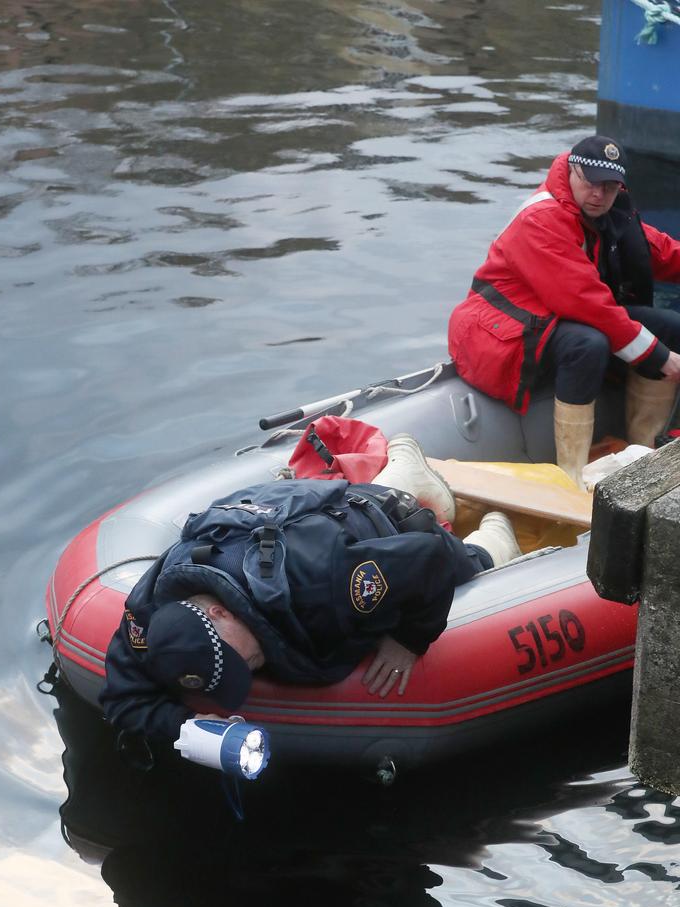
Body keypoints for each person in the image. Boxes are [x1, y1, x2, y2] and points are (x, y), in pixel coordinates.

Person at [101, 435, 521, 745]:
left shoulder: (322, 583)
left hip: (378, 522)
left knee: (466, 565)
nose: (245, 668)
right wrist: (186, 729)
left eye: (233, 658)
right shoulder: (150, 606)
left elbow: (427, 557)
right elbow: (124, 699)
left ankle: (493, 536)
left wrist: (410, 639)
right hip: (292, 517)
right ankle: (405, 476)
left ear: (219, 613)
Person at [448, 135, 680, 488]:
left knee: (669, 326)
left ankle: (642, 450)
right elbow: (585, 300)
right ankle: (571, 478)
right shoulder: (541, 219)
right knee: (588, 344)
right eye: (590, 182)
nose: (599, 194)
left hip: (551, 318)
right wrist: (660, 358)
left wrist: (659, 350)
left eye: (609, 186)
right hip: (502, 330)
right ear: (572, 171)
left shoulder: (605, 214)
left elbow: (660, 252)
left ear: (620, 187)